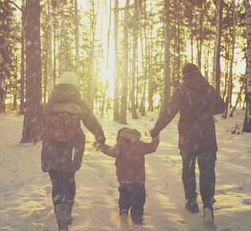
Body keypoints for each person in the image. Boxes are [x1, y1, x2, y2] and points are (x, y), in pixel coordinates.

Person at [150, 63, 225, 225]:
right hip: (207, 138)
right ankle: (207, 206)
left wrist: (157, 129)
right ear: (198, 73)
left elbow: (170, 110)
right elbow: (221, 106)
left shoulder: (182, 90)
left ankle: (191, 203)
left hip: (188, 140)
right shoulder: (209, 89)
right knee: (207, 171)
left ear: (185, 75)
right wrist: (205, 110)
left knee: (188, 170)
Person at [41, 72, 105, 231]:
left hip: (51, 148)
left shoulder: (51, 101)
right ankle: (67, 214)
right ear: (75, 85)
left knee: (56, 185)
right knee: (69, 179)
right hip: (71, 149)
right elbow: (90, 120)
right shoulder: (79, 102)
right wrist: (100, 136)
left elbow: (43, 121)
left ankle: (61, 222)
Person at [94, 127, 159, 224]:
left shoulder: (121, 144)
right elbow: (152, 147)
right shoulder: (141, 145)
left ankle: (123, 209)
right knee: (139, 198)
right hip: (138, 179)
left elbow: (113, 152)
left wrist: (101, 146)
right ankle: (137, 217)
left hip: (124, 178)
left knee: (124, 194)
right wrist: (155, 137)